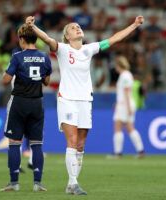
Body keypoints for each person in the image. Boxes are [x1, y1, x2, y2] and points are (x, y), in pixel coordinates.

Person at [25, 14, 144, 195]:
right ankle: (73, 183)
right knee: (72, 141)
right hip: (67, 100)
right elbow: (47, 38)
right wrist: (33, 27)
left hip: (85, 101)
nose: (77, 28)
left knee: (81, 144)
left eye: (78, 26)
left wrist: (134, 25)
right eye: (73, 28)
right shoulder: (62, 49)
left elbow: (113, 39)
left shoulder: (89, 50)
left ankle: (72, 183)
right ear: (67, 36)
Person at [0, 24, 52, 192]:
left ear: (21, 39)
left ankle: (14, 183)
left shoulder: (17, 57)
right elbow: (47, 81)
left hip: (19, 102)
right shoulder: (45, 57)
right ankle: (38, 183)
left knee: (14, 143)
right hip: (37, 103)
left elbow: (6, 81)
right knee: (37, 144)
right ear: (35, 38)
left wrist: (6, 72)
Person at [113, 56, 145, 158]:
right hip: (123, 104)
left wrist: (128, 108)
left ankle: (118, 153)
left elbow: (127, 93)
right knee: (130, 128)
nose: (115, 68)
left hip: (125, 105)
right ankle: (140, 151)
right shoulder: (126, 75)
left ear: (119, 65)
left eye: (116, 65)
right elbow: (123, 92)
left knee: (119, 127)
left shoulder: (125, 76)